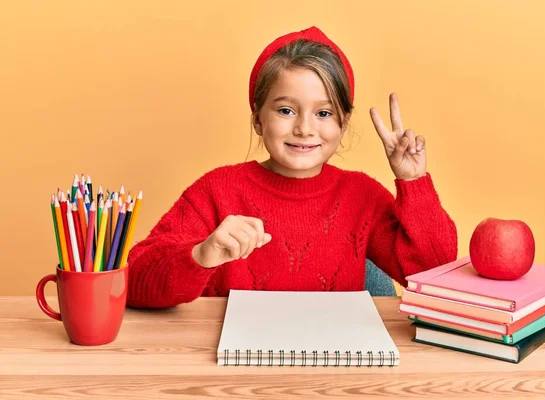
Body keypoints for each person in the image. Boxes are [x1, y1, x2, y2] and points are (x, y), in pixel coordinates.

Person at [126, 26, 457, 308]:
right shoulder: (216, 190)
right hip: (234, 372)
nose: (304, 128)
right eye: (286, 110)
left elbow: (436, 278)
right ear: (257, 119)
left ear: (343, 124)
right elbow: (137, 281)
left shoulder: (362, 195)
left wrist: (414, 182)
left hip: (337, 370)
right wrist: (200, 254)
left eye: (323, 113)